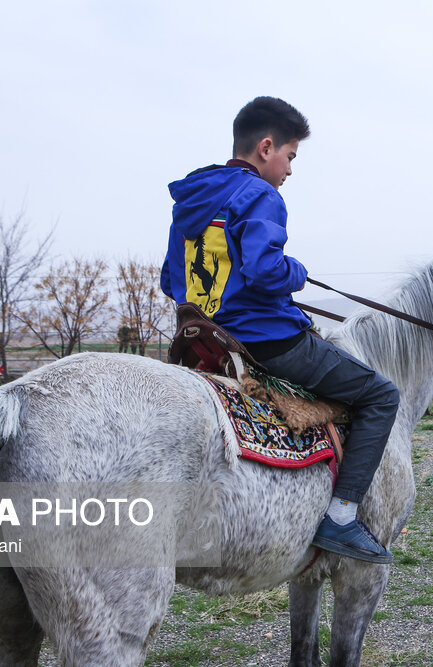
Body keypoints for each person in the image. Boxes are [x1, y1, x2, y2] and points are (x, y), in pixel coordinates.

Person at [160, 97, 400, 564]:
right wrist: (297, 271)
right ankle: (342, 517)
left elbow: (172, 281)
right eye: (290, 156)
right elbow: (269, 272)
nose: (290, 169)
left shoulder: (190, 202)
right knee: (381, 396)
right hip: (269, 341)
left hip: (209, 338)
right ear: (266, 147)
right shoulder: (261, 195)